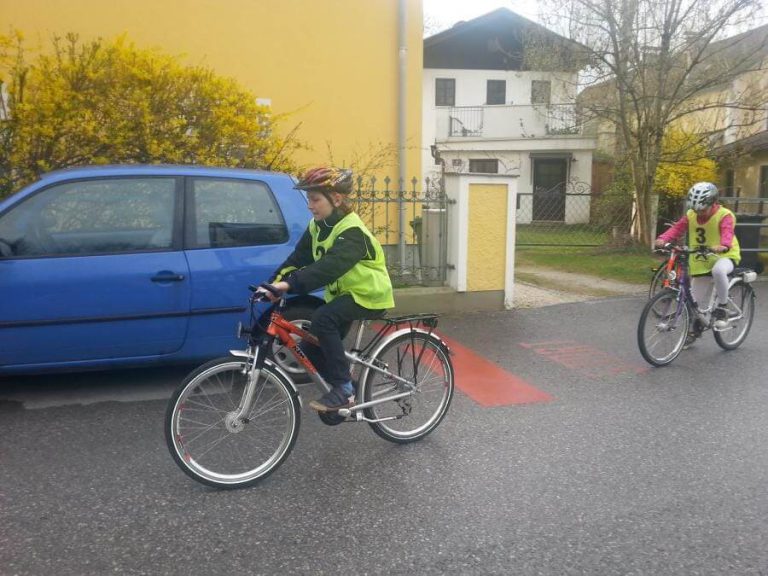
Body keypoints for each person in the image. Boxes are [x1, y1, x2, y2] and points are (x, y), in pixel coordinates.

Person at [263, 166, 395, 412]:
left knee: (323, 319)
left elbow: (328, 268)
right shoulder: (318, 226)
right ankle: (351, 390)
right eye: (309, 199)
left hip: (368, 295)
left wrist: (290, 284)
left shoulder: (352, 232)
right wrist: (273, 284)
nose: (309, 206)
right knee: (310, 348)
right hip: (344, 296)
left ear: (336, 199)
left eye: (315, 200)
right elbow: (297, 259)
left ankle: (344, 390)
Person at [654, 181, 740, 344]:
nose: (699, 213)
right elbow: (677, 228)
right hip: (701, 260)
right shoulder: (691, 215)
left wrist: (723, 245)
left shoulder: (725, 215)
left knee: (718, 271)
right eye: (696, 210)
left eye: (702, 210)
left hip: (724, 256)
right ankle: (694, 330)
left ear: (713, 203)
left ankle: (722, 307)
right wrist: (663, 238)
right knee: (693, 302)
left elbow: (727, 232)